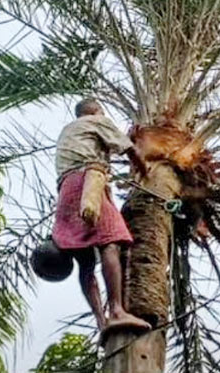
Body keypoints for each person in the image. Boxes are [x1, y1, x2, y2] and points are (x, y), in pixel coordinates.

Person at [52, 98, 151, 333]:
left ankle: (101, 321)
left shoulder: (68, 130)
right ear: (96, 110)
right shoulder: (97, 120)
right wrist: (145, 171)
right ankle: (117, 311)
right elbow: (129, 149)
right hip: (89, 184)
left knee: (85, 258)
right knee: (110, 242)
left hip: (66, 190)